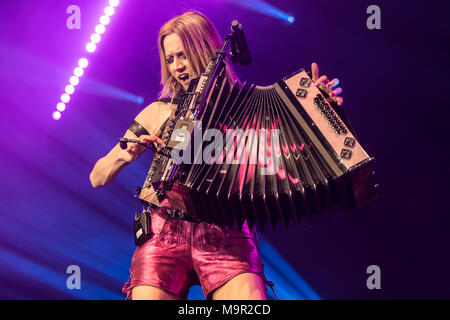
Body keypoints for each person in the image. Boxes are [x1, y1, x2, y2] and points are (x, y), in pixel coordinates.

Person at [89, 11, 343, 300]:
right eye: (170, 59)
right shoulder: (159, 112)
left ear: (205, 51)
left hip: (227, 231)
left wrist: (321, 111)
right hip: (164, 234)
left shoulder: (249, 111)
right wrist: (126, 153)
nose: (176, 67)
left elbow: (296, 160)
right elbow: (97, 177)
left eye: (183, 55)